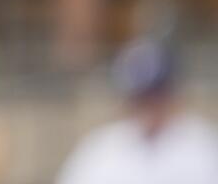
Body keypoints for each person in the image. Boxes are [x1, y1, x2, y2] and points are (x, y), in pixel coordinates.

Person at [56, 39, 218, 184]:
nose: (148, 105)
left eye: (155, 95)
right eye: (140, 97)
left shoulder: (205, 148)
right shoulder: (100, 149)